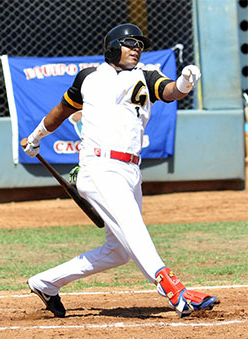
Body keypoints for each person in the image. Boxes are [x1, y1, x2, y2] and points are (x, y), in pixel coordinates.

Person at [22, 23, 218, 318]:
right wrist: (36, 137)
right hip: (98, 165)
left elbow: (170, 91)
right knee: (132, 224)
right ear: (112, 46)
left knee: (119, 251)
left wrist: (185, 83)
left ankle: (45, 283)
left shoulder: (146, 75)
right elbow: (61, 110)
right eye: (130, 43)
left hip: (130, 170)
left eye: (140, 44)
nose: (137, 48)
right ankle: (172, 288)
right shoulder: (88, 77)